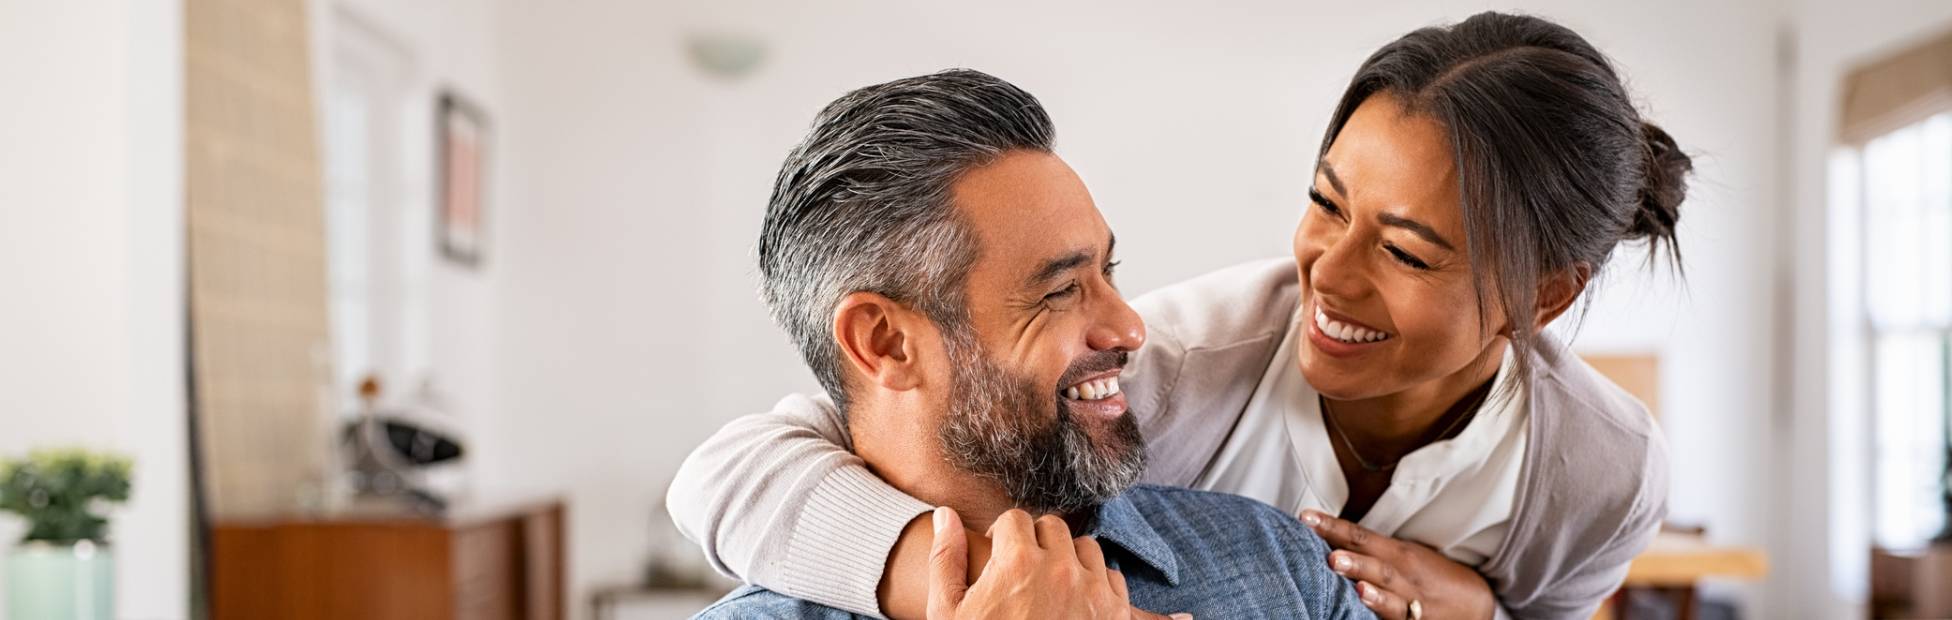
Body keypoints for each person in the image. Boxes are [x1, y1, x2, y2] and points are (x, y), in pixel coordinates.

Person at [674, 12, 1687, 619]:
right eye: (1324, 202)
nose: (1325, 274)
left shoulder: (1598, 470)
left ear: (1541, 295)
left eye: (1405, 248)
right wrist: (953, 580)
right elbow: (752, 466)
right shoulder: (1177, 363)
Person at [693, 68, 1373, 619]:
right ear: (886, 344)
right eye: (1058, 291)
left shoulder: (1279, 565)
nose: (1129, 329)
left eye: (1105, 272)